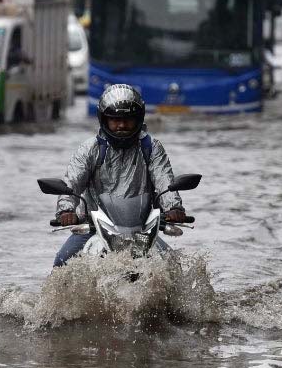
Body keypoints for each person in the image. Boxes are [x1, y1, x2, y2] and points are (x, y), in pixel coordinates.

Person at [53, 84, 187, 266]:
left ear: (138, 119)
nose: (122, 125)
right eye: (115, 120)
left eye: (128, 119)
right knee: (62, 261)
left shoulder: (151, 148)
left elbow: (165, 180)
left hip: (142, 230)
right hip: (95, 228)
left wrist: (174, 208)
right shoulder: (89, 149)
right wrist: (66, 210)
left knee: (174, 265)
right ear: (104, 120)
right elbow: (72, 182)